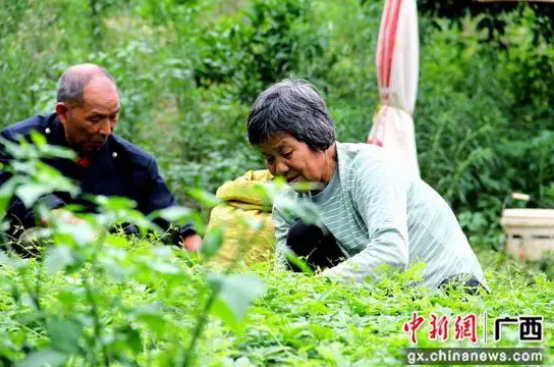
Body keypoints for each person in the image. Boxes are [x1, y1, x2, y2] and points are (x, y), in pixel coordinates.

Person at [246, 79, 489, 292]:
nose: (279, 169)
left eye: (285, 152)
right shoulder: (287, 201)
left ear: (315, 136)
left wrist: (314, 289)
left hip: (447, 284)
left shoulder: (369, 168)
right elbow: (284, 273)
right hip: (388, 295)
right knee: (301, 234)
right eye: (269, 159)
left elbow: (391, 253)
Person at [0, 64, 201, 252]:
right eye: (95, 119)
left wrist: (205, 264)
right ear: (63, 112)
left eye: (113, 117)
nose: (106, 130)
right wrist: (86, 232)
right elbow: (28, 201)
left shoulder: (134, 163)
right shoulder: (19, 143)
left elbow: (178, 226)